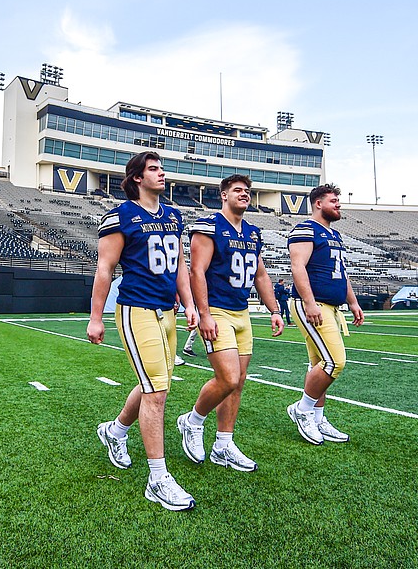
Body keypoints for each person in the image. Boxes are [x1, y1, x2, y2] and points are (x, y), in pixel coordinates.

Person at [88, 151, 199, 512]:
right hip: (137, 309)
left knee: (154, 385)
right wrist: (95, 317)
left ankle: (115, 430)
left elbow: (180, 264)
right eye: (153, 168)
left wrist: (190, 303)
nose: (161, 173)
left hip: (168, 311)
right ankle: (158, 478)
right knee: (158, 393)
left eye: (162, 168)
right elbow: (105, 268)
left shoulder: (173, 214)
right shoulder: (120, 215)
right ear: (137, 177)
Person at [176, 175, 284, 472]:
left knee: (238, 384)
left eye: (247, 191)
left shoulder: (252, 232)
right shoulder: (210, 226)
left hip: (242, 312)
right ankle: (193, 420)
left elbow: (260, 275)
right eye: (237, 190)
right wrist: (204, 313)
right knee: (229, 378)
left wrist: (274, 309)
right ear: (223, 195)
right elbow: (197, 271)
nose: (244, 195)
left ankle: (223, 444)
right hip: (218, 311)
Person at [285, 183, 364, 445]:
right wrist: (309, 302)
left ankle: (317, 416)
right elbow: (298, 267)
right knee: (335, 362)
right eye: (334, 200)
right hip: (313, 303)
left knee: (318, 363)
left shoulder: (335, 235)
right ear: (318, 203)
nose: (338, 205)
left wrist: (353, 302)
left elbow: (342, 272)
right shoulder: (306, 229)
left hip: (331, 304)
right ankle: (303, 409)